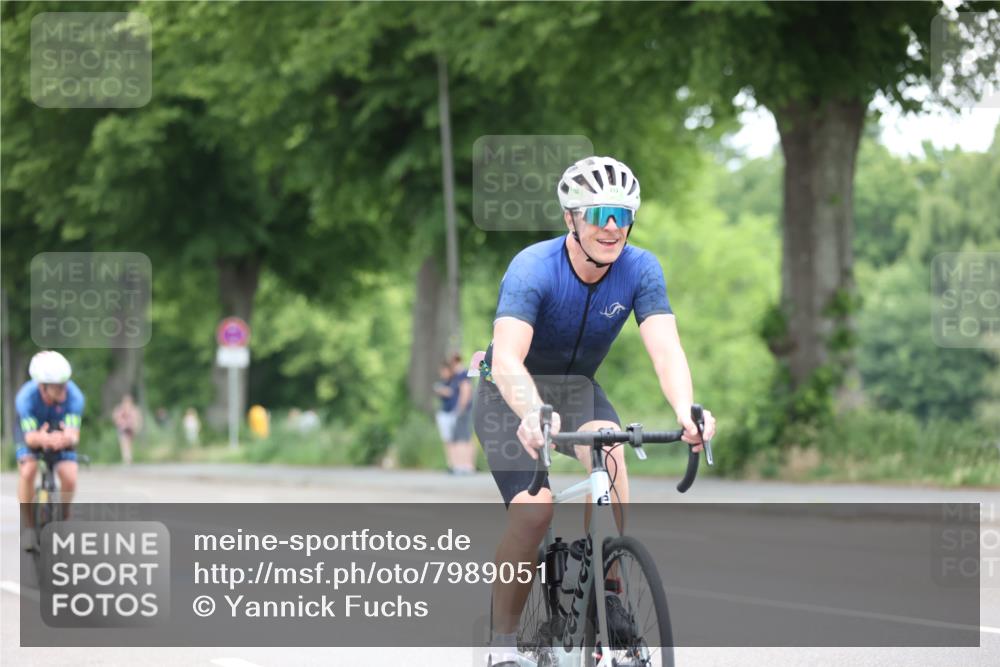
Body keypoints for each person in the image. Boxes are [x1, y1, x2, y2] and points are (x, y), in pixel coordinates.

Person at [473, 156, 717, 666]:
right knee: (535, 510)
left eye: (622, 215)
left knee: (611, 443)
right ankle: (502, 646)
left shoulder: (640, 268)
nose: (611, 226)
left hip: (578, 389)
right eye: (599, 212)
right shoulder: (533, 267)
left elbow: (666, 348)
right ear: (571, 219)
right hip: (509, 391)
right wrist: (532, 410)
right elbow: (509, 356)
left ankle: (608, 593)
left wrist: (686, 412)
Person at [15, 351, 85, 552]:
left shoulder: (74, 396)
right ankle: (29, 526)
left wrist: (66, 438)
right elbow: (29, 437)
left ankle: (64, 515)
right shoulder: (25, 398)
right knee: (28, 470)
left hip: (59, 435)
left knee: (70, 475)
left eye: (65, 384)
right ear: (42, 386)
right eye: (58, 386)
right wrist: (43, 439)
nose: (64, 390)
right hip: (32, 433)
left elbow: (74, 434)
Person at [448, 353, 476, 474]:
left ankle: (464, 465)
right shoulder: (462, 374)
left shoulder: (462, 374)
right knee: (464, 437)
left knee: (462, 438)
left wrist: (460, 408)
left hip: (463, 410)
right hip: (464, 409)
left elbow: (465, 391)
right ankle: (465, 465)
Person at [433, 361, 458, 473]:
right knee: (447, 439)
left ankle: (459, 463)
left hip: (454, 413)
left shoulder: (455, 381)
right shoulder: (442, 382)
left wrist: (443, 391)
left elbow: (450, 392)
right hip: (444, 413)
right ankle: (450, 463)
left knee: (457, 439)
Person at [112, 393, 143, 464]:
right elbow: (116, 418)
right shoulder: (120, 409)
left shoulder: (134, 410)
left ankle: (128, 458)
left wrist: (137, 427)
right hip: (122, 429)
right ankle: (127, 459)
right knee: (124, 443)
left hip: (130, 429)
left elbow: (137, 419)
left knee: (129, 444)